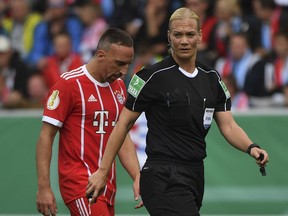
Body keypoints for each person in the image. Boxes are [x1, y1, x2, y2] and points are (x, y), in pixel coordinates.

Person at [86, 7, 269, 216]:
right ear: (169, 37)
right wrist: (103, 171)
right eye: (178, 34)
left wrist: (251, 147)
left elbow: (228, 125)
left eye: (190, 34)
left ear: (200, 36)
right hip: (161, 175)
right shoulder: (150, 77)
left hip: (195, 174)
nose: (184, 41)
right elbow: (123, 125)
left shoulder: (212, 78)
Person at [36, 28, 142, 216]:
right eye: (119, 64)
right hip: (80, 185)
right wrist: (44, 187)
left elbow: (121, 137)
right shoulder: (69, 84)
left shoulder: (118, 87)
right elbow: (46, 136)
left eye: (128, 64)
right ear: (101, 55)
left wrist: (137, 176)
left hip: (106, 187)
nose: (124, 71)